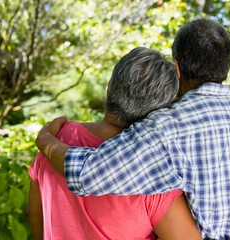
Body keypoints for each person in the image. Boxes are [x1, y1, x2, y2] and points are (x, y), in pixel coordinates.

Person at [36, 19, 230, 239]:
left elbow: (86, 175)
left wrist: (46, 140)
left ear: (177, 69)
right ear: (225, 67)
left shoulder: (166, 127)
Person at [27, 47, 202, 239]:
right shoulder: (154, 172)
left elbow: (35, 213)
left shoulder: (55, 138)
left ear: (109, 86)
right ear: (160, 111)